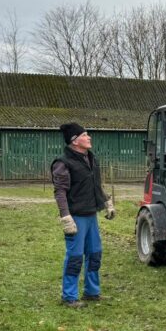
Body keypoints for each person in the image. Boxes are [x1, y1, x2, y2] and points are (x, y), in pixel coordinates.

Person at [51, 123, 116, 308]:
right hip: (76, 217)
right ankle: (69, 297)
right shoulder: (63, 163)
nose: (89, 137)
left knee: (95, 254)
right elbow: (60, 192)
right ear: (74, 141)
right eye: (85, 135)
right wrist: (65, 216)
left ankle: (92, 292)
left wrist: (106, 202)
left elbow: (96, 185)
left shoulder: (91, 159)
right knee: (75, 257)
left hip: (91, 215)